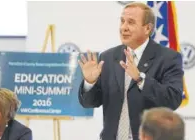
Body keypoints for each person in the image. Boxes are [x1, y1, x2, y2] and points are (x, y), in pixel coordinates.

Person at [78, 2, 183, 140]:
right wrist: (89, 83)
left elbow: (172, 100)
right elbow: (90, 103)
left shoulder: (168, 58)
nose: (124, 28)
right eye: (122, 21)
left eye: (131, 22)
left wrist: (140, 79)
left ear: (147, 28)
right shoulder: (108, 58)